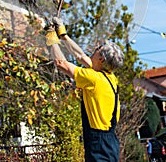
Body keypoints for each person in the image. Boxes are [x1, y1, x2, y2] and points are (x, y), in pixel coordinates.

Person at [45, 17, 124, 162]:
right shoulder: (110, 77)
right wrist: (62, 33)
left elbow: (61, 63)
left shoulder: (93, 79)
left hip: (98, 143)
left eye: (97, 50)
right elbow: (80, 55)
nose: (93, 51)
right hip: (111, 141)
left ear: (101, 59)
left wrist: (50, 35)